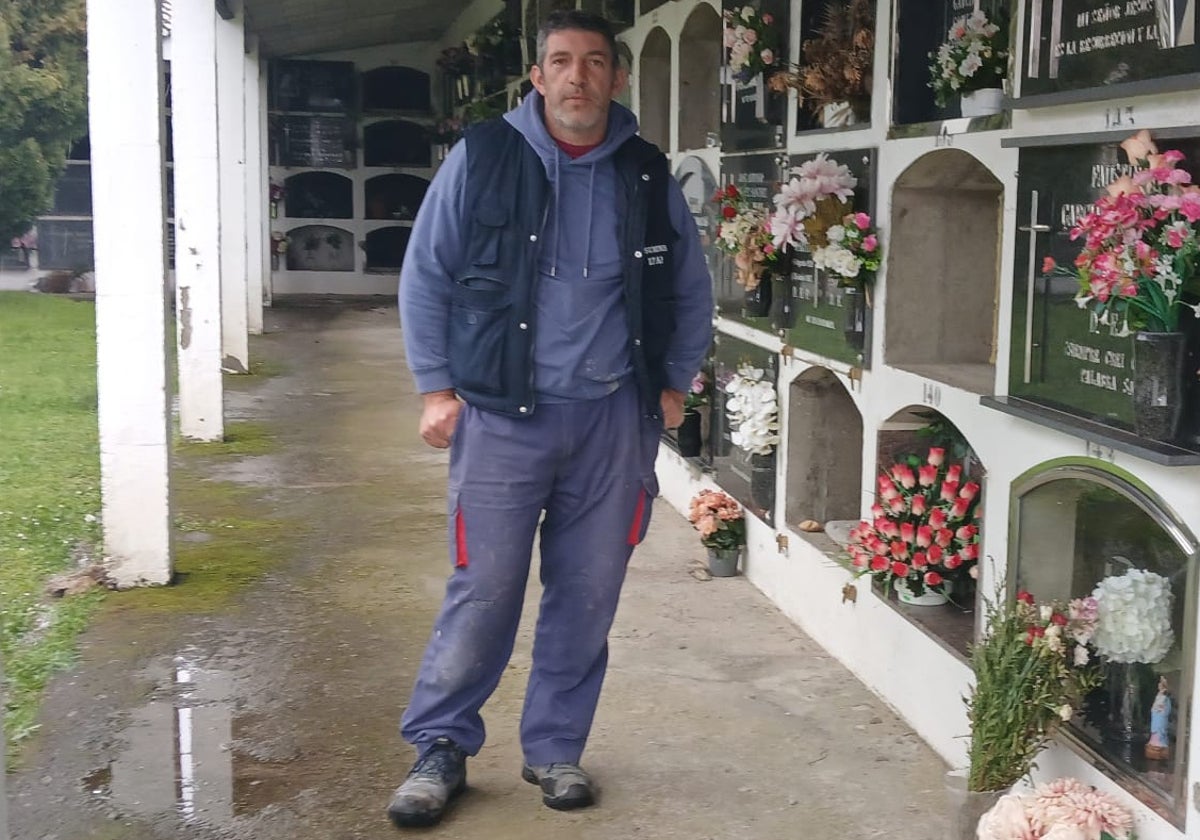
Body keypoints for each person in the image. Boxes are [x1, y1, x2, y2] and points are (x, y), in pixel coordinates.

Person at [388, 9, 713, 829]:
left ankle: (556, 748)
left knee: (588, 593)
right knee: (485, 589)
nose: (578, 78)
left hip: (611, 423)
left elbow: (688, 289)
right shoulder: (486, 156)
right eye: (562, 62)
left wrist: (672, 382)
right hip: (501, 418)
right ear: (537, 77)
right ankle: (441, 748)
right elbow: (428, 273)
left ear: (617, 78)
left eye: (594, 63)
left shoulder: (645, 173)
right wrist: (436, 387)